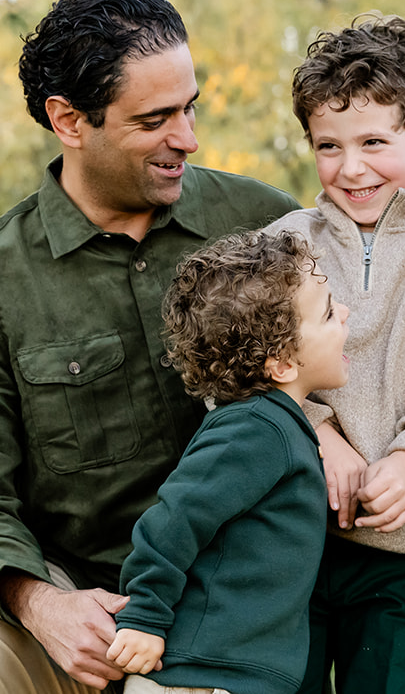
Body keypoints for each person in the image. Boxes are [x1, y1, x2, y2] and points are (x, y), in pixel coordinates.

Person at [0, 0, 298, 694]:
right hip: (80, 597)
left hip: (239, 604)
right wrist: (45, 606)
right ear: (69, 120)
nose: (187, 138)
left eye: (190, 108)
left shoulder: (263, 223)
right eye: (155, 119)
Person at [264, 16, 405, 694]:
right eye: (329, 145)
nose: (351, 168)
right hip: (293, 539)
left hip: (404, 549)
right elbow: (233, 368)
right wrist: (318, 430)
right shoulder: (287, 243)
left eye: (374, 141)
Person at [107, 229, 347, 694]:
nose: (346, 318)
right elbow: (176, 519)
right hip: (197, 679)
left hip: (233, 675)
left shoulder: (276, 426)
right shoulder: (254, 429)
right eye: (330, 313)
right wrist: (143, 616)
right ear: (282, 364)